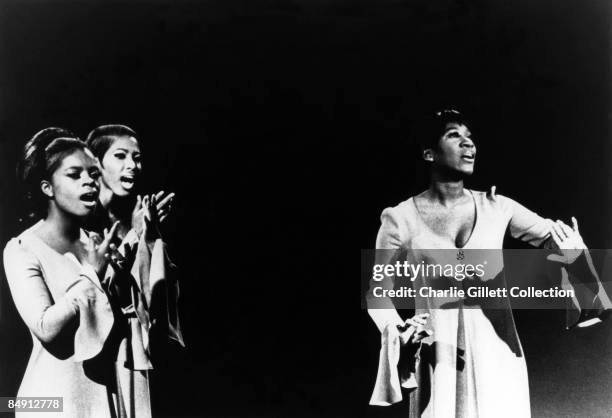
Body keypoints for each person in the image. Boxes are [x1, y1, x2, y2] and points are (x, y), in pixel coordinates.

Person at [367, 110, 604, 418]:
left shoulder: (498, 207)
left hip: (500, 354)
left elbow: (556, 239)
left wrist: (576, 256)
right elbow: (377, 292)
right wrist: (396, 329)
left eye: (471, 137)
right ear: (429, 153)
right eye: (454, 135)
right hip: (439, 356)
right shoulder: (398, 218)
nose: (469, 144)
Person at [3, 128, 127, 417]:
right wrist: (91, 276)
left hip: (102, 400)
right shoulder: (22, 248)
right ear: (48, 188)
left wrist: (145, 243)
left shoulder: (95, 243)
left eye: (93, 174)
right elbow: (47, 329)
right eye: (75, 175)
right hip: (50, 403)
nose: (90, 182)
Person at [85, 124, 184, 413]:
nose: (132, 166)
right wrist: (136, 236)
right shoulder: (82, 218)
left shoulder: (135, 217)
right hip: (97, 348)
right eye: (120, 156)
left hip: (134, 349)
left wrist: (150, 236)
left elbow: (155, 297)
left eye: (137, 158)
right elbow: (97, 293)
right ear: (95, 162)